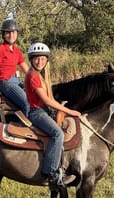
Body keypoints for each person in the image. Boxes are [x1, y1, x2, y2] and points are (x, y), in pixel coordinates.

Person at [24, 42, 81, 188]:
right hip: (36, 112)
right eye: (36, 58)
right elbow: (46, 100)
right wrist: (70, 111)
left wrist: (60, 107)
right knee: (57, 134)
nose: (40, 61)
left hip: (44, 110)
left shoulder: (41, 75)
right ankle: (51, 172)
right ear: (31, 59)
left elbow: (51, 100)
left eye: (43, 58)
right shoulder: (32, 76)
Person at [0, 19, 30, 116]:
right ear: (3, 34)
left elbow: (26, 70)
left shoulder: (17, 50)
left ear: (17, 34)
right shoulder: (0, 50)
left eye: (13, 32)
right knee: (27, 104)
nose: (11, 35)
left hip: (17, 80)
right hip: (5, 82)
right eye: (8, 33)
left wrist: (40, 80)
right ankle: (27, 127)